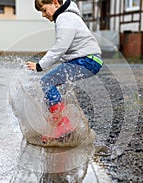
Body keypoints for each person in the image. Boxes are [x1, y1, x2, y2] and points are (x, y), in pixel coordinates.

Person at [26, 0, 103, 143]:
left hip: (86, 60)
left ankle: (62, 124)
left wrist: (39, 65)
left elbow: (60, 47)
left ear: (55, 2)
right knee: (54, 85)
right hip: (89, 59)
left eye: (44, 10)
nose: (43, 15)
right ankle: (65, 125)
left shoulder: (64, 18)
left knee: (47, 81)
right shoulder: (68, 16)